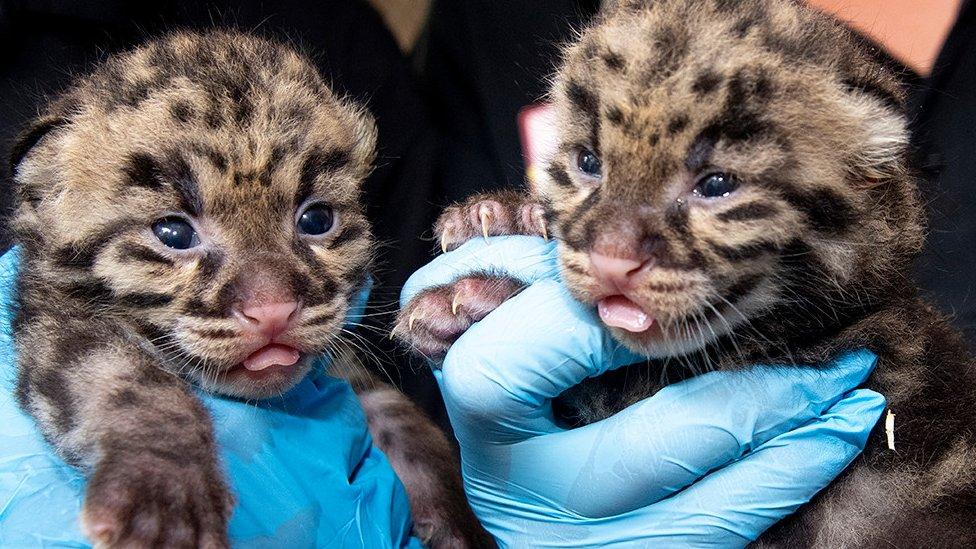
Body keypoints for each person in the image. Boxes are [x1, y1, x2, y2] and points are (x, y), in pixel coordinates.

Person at [0, 0, 970, 545]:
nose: (612, 250)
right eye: (583, 165)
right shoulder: (494, 22)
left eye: (319, 220)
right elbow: (424, 317)